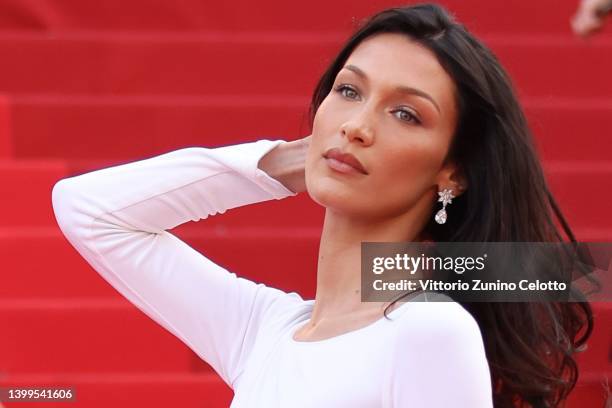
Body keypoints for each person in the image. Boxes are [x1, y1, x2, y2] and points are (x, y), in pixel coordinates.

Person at [51, 3, 593, 407]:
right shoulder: (263, 331)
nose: (356, 126)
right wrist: (281, 162)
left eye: (406, 114)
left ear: (453, 170)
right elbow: (89, 210)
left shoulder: (430, 331)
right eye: (349, 92)